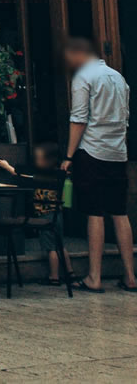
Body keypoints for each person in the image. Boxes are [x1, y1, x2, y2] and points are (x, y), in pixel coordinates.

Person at [60, 37, 135, 293]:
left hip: (92, 152)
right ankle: (130, 276)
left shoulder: (83, 77)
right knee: (119, 213)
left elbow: (79, 119)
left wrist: (68, 156)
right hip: (117, 153)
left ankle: (94, 277)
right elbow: (125, 118)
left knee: (95, 213)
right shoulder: (118, 77)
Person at [0, 143, 74, 285]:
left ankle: (53, 277)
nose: (36, 161)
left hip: (45, 215)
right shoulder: (58, 174)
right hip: (57, 214)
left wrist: (6, 165)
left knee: (51, 248)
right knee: (61, 245)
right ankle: (70, 273)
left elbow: (20, 174)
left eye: (39, 159)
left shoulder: (40, 175)